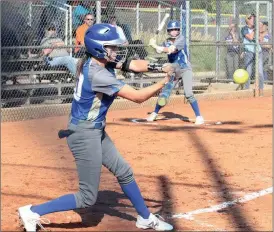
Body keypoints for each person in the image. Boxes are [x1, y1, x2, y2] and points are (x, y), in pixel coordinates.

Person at [18, 23, 174, 232]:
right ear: (100, 48)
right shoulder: (98, 74)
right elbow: (138, 97)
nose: (116, 51)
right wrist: (164, 82)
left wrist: (158, 67)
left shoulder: (97, 62)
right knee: (86, 197)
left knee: (124, 171)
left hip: (94, 130)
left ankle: (145, 217)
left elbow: (132, 64)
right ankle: (32, 211)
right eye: (112, 47)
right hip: (84, 134)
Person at [147, 20, 204, 125]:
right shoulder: (166, 41)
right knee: (164, 94)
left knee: (188, 93)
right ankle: (155, 113)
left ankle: (199, 116)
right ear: (168, 31)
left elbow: (171, 50)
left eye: (176, 29)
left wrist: (156, 46)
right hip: (173, 71)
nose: (174, 31)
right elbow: (160, 50)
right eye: (172, 29)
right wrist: (153, 44)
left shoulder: (181, 39)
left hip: (184, 69)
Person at [241, 13, 264, 95]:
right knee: (248, 72)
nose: (253, 20)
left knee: (260, 72)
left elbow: (261, 39)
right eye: (252, 19)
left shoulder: (256, 29)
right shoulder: (244, 29)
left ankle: (261, 92)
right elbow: (250, 38)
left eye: (254, 19)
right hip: (249, 52)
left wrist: (259, 30)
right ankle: (247, 91)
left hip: (258, 51)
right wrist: (255, 30)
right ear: (247, 20)